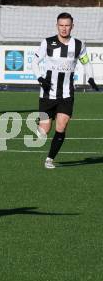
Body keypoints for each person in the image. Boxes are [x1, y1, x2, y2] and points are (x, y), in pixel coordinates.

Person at [32, 12, 99, 169]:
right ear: (57, 26)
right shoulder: (47, 43)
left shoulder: (78, 45)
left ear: (72, 26)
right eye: (61, 25)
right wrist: (40, 78)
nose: (64, 28)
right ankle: (40, 124)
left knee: (61, 126)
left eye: (67, 25)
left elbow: (86, 62)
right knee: (43, 131)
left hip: (67, 93)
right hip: (48, 92)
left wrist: (90, 77)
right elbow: (35, 62)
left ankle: (49, 159)